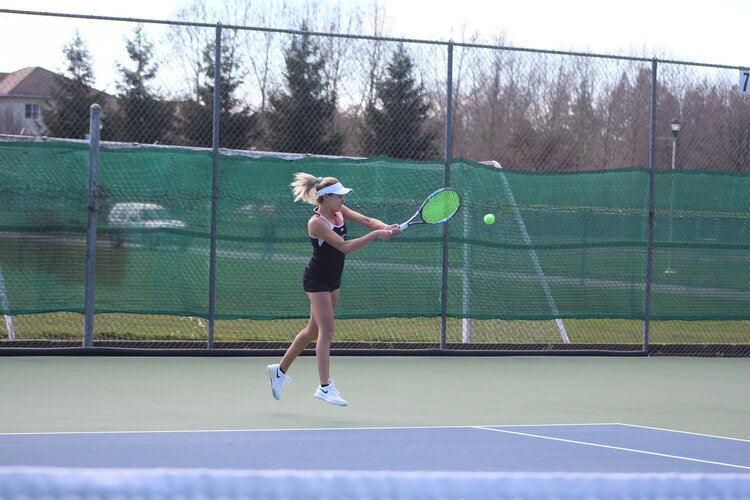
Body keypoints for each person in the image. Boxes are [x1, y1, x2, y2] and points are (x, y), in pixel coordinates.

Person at [266, 173, 400, 406]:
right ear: (325, 197)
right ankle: (325, 386)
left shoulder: (339, 212)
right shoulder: (316, 222)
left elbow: (369, 221)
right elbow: (344, 247)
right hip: (316, 279)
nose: (343, 200)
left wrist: (387, 228)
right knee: (327, 331)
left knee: (313, 331)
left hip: (333, 278)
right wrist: (376, 235)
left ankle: (279, 370)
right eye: (338, 197)